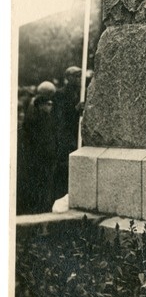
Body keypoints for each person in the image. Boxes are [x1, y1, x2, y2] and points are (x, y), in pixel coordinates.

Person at [21, 81, 58, 213]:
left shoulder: (36, 107)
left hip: (42, 154)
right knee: (39, 184)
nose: (51, 102)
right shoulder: (35, 110)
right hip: (38, 155)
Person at [53, 66, 83, 200]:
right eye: (76, 76)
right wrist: (75, 110)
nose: (79, 79)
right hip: (67, 135)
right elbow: (60, 117)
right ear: (68, 78)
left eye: (80, 76)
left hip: (80, 134)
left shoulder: (83, 92)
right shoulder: (61, 94)